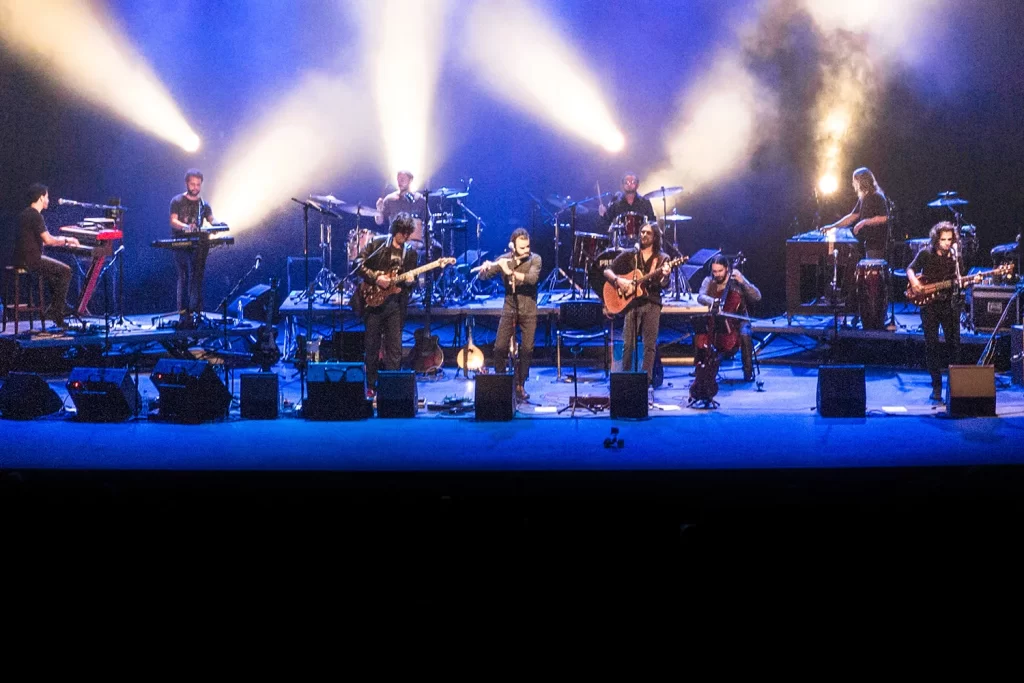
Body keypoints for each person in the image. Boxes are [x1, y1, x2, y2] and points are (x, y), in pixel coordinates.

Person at [354, 213, 419, 397]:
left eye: (408, 233)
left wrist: (410, 281)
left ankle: (392, 388)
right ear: (395, 229)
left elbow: (411, 282)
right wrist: (376, 277)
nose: (406, 236)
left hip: (395, 305)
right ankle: (371, 386)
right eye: (402, 232)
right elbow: (358, 263)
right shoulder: (378, 243)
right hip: (373, 303)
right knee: (372, 347)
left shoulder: (411, 253)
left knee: (395, 350)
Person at [603, 222, 671, 386]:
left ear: (655, 237)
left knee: (649, 345)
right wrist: (618, 281)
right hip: (632, 304)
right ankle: (625, 380)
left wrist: (665, 275)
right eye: (642, 232)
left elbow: (664, 285)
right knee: (628, 345)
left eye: (648, 233)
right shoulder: (630, 255)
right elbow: (607, 270)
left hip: (652, 303)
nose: (644, 235)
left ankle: (645, 382)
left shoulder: (662, 259)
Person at [478, 228, 542, 402]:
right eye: (522, 248)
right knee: (499, 347)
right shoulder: (504, 260)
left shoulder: (535, 259)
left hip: (528, 310)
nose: (526, 250)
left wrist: (510, 272)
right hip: (509, 308)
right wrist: (484, 269)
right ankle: (502, 381)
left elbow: (531, 279)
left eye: (528, 246)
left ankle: (520, 384)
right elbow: (483, 278)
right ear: (513, 247)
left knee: (527, 349)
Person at [10, 183, 81, 330]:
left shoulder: (25, 214)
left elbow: (43, 239)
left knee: (54, 274)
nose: (48, 200)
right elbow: (48, 240)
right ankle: (55, 311)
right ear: (41, 197)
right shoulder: (36, 216)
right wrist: (67, 240)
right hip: (31, 260)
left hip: (20, 258)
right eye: (47, 197)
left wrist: (61, 240)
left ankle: (57, 309)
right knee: (66, 271)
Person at [907, 221, 962, 402]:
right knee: (931, 345)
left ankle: (955, 387)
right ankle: (936, 387)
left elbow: (960, 279)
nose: (947, 242)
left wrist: (971, 280)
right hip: (929, 305)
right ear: (936, 239)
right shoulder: (926, 253)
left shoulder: (954, 257)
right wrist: (914, 282)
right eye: (943, 239)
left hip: (948, 304)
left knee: (953, 344)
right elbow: (910, 268)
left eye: (950, 239)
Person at [697, 255, 762, 382]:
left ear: (727, 268)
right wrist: (713, 301)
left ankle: (748, 371)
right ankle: (702, 369)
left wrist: (743, 281)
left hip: (739, 319)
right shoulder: (709, 280)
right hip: (718, 318)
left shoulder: (736, 280)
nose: (717, 274)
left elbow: (757, 296)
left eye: (720, 271)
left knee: (744, 334)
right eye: (714, 271)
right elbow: (701, 296)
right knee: (701, 331)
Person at [169, 168, 217, 327]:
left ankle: (195, 311)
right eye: (192, 184)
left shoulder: (204, 204)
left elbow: (212, 219)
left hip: (199, 245)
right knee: (184, 277)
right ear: (187, 184)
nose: (195, 187)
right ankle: (183, 314)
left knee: (197, 277)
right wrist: (185, 227)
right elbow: (173, 221)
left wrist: (218, 225)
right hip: (181, 244)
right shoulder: (177, 201)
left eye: (198, 184)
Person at [821, 167, 889, 260]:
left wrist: (863, 222)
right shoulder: (864, 198)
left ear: (861, 182)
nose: (853, 184)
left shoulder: (877, 196)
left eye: (854, 181)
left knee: (872, 271)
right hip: (869, 243)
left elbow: (884, 218)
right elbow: (852, 217)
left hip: (877, 244)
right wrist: (832, 226)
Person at [598, 171, 658, 244]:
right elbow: (606, 224)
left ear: (637, 185)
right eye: (626, 182)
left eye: (632, 182)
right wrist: (602, 215)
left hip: (642, 243)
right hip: (620, 244)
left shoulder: (645, 202)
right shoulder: (615, 203)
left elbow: (652, 221)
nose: (629, 184)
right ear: (622, 185)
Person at [375, 169, 428, 247]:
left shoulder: (420, 200)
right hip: (394, 241)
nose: (400, 181)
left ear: (410, 180)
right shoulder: (390, 199)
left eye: (403, 179)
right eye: (398, 179)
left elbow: (428, 221)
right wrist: (378, 210)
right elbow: (379, 222)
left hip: (414, 242)